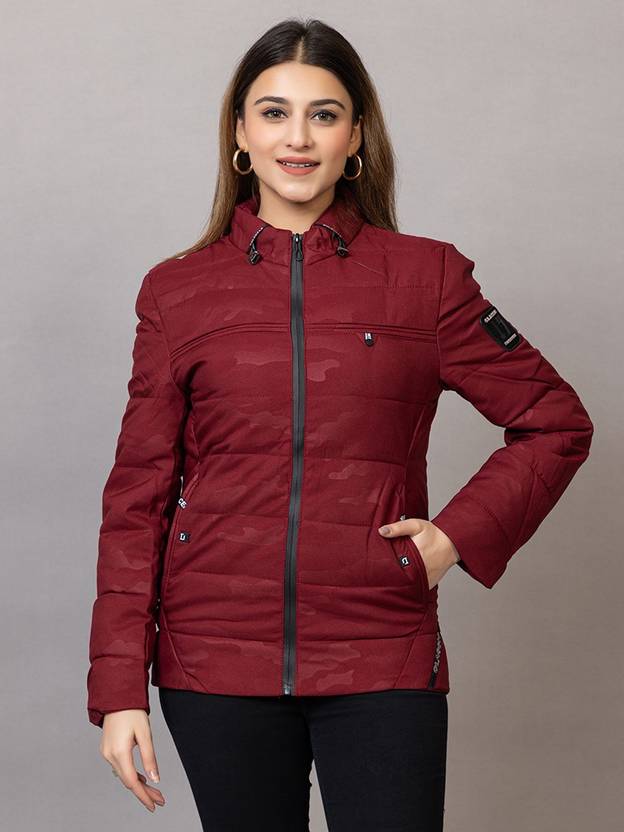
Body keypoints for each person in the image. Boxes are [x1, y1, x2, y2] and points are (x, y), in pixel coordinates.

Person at [86, 17, 594, 831]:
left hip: (381, 650)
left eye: (323, 114)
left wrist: (453, 538)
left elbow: (555, 422)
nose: (298, 137)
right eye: (274, 112)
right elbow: (137, 497)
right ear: (239, 134)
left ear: (355, 137)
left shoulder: (426, 279)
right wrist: (119, 691)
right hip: (215, 658)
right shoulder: (177, 292)